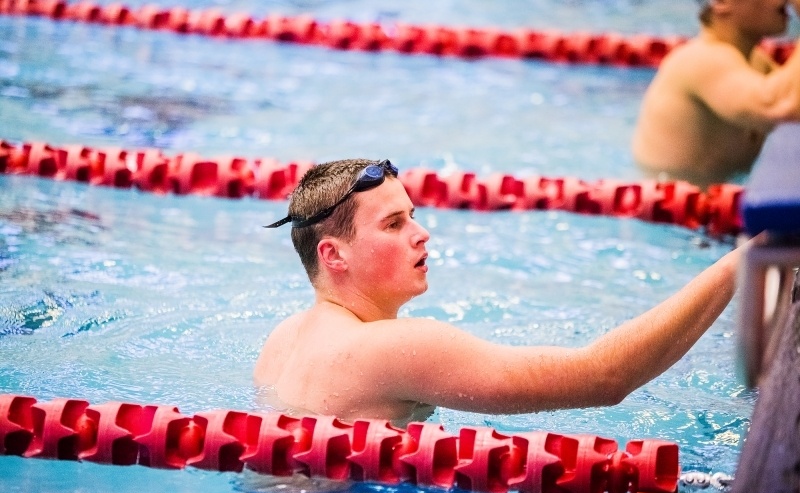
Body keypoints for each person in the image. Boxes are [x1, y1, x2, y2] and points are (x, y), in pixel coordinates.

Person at [254, 158, 751, 426]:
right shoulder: (393, 347)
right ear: (333, 256)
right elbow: (605, 377)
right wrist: (741, 261)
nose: (421, 233)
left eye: (413, 215)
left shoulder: (286, 339)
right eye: (393, 223)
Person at [631, 0, 800, 189]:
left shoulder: (756, 62)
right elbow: (781, 106)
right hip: (674, 212)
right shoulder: (702, 60)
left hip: (715, 205)